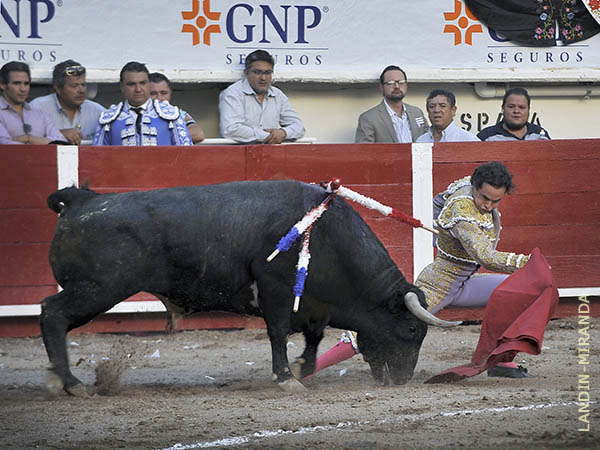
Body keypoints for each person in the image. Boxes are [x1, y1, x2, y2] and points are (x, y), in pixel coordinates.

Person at [307, 162, 533, 380]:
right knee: (381, 325)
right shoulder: (462, 208)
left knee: (517, 291)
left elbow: (438, 200)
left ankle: (501, 360)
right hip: (439, 284)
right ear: (475, 186)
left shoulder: (465, 186)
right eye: (484, 198)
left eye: (496, 201)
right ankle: (310, 369)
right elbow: (485, 256)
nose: (488, 205)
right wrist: (527, 262)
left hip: (466, 281)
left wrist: (441, 234)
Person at [93, 62, 191, 146]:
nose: (138, 89)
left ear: (149, 84)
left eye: (143, 83)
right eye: (131, 84)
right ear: (122, 87)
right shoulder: (109, 119)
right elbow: (97, 158)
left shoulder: (171, 115)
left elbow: (186, 155)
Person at [218, 49, 305, 144]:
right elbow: (231, 129)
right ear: (246, 73)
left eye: (267, 73)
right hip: (237, 155)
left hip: (268, 154)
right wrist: (269, 136)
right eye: (257, 72)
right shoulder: (233, 93)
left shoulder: (278, 95)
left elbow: (299, 127)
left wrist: (284, 133)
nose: (263, 78)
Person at [29, 60, 105, 145]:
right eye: (74, 86)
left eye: (83, 85)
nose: (82, 90)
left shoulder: (98, 112)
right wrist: (58, 134)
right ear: (58, 89)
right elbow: (23, 140)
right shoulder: (38, 107)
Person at [355, 65, 428, 143]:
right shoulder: (369, 118)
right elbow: (364, 151)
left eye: (401, 82)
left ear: (406, 85)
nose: (397, 86)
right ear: (381, 87)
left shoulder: (416, 113)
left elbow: (429, 139)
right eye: (391, 83)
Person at [0, 61, 66, 145]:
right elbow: (4, 145)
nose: (23, 89)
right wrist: (42, 141)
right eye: (17, 83)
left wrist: (28, 139)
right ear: (2, 84)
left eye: (26, 84)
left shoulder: (40, 114)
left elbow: (61, 142)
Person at [149, 72, 205, 143]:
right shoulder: (137, 113)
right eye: (153, 94)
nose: (159, 98)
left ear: (170, 93)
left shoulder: (178, 113)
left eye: (164, 93)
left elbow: (198, 134)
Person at [478, 88, 550, 141]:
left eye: (522, 107)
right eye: (511, 107)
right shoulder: (486, 136)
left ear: (528, 109)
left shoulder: (540, 134)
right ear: (503, 109)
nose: (516, 111)